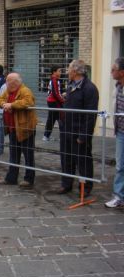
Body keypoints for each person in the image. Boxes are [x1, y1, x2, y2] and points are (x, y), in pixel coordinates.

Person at [56, 59, 99, 197]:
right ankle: (66, 183)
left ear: (75, 71)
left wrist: (84, 135)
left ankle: (86, 186)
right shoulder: (70, 85)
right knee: (66, 158)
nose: (67, 72)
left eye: (68, 69)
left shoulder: (90, 88)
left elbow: (91, 115)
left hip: (79, 131)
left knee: (83, 160)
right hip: (67, 129)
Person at [0, 73, 37, 188]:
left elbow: (28, 102)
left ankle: (29, 179)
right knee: (13, 154)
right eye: (7, 81)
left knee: (28, 155)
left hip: (25, 128)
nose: (6, 83)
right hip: (13, 128)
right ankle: (11, 178)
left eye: (8, 81)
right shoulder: (8, 91)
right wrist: (4, 103)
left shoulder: (25, 91)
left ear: (15, 82)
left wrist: (12, 105)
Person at [105, 57, 124, 207]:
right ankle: (119, 196)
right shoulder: (117, 87)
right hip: (121, 133)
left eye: (113, 70)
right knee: (120, 165)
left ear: (122, 72)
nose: (111, 72)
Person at [42, 65, 65, 141]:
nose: (60, 72)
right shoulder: (54, 80)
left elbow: (55, 92)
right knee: (61, 118)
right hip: (54, 102)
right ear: (54, 72)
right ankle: (62, 137)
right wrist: (62, 100)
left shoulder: (53, 80)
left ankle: (46, 136)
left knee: (52, 119)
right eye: (59, 71)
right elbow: (55, 93)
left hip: (52, 101)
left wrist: (62, 95)